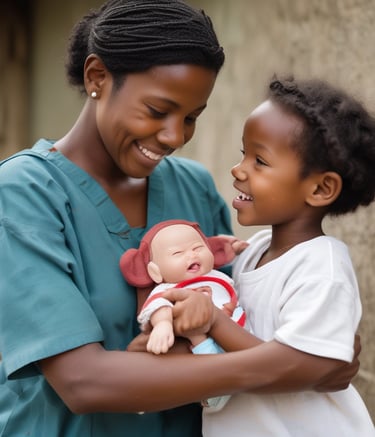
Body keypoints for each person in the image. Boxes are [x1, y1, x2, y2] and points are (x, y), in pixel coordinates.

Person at [0, 1, 361, 436]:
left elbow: (238, 316)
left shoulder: (193, 187)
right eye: (156, 111)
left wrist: (318, 344)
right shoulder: (23, 193)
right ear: (98, 78)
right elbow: (83, 382)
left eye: (191, 118)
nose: (175, 137)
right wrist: (290, 366)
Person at [199, 77, 375, 436]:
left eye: (259, 161)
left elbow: (293, 365)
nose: (239, 170)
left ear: (320, 188)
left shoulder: (321, 267)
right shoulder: (253, 253)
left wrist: (214, 323)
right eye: (242, 154)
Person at [120, 219, 247, 411]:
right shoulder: (169, 287)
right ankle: (212, 395)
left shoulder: (219, 276)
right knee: (209, 362)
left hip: (238, 333)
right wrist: (162, 324)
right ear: (155, 271)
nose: (191, 255)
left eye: (197, 247)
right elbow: (157, 305)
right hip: (202, 340)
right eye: (178, 253)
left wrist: (234, 249)